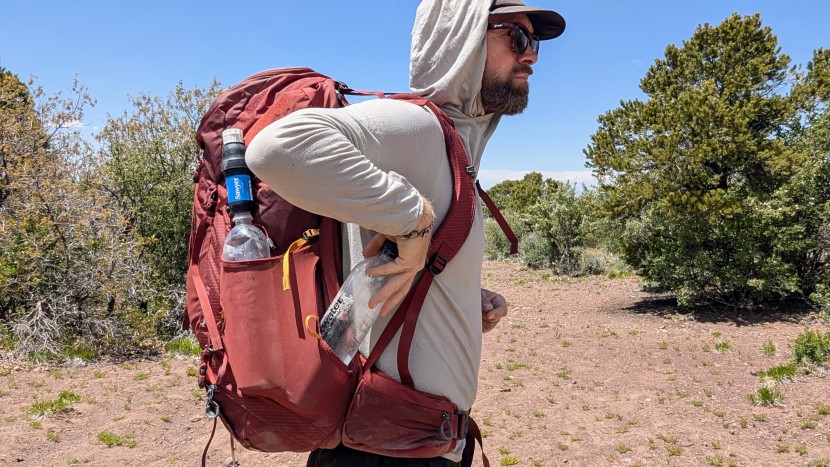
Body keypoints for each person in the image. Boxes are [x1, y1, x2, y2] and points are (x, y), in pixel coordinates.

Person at [245, 0, 565, 465]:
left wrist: (460, 296)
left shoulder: (454, 146)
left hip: (421, 442)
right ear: (462, 37)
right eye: (517, 36)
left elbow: (389, 270)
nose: (531, 55)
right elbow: (275, 148)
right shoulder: (417, 126)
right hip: (383, 450)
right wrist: (413, 220)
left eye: (533, 41)